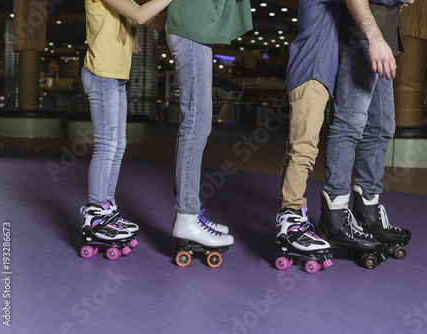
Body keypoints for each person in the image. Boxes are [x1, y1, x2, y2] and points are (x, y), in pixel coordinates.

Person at [277, 0, 412, 269]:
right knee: (338, 129)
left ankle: (367, 211)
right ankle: (331, 215)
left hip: (382, 34)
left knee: (382, 127)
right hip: (360, 34)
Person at [79, 0, 172, 260]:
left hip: (117, 77)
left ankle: (106, 209)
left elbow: (155, 23)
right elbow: (142, 16)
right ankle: (96, 214)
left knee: (118, 146)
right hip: (101, 74)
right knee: (107, 145)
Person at [164, 0, 252, 265]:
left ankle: (189, 214)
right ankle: (187, 216)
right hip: (190, 29)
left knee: (198, 122)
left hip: (194, 28)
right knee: (196, 122)